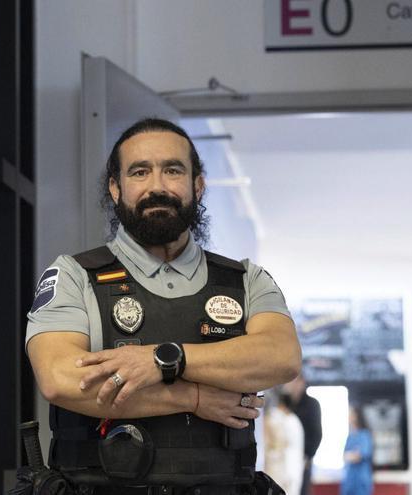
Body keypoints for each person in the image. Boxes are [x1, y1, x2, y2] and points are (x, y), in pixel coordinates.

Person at [25, 118, 302, 494]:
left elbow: (281, 357)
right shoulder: (74, 275)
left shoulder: (246, 280)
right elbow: (61, 379)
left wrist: (159, 360)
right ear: (116, 188)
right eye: (140, 172)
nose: (157, 186)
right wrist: (193, 397)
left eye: (173, 170)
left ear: (197, 185)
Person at [282, 375, 322, 495]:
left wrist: (307, 457)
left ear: (301, 382)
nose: (289, 385)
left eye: (292, 382)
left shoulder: (312, 404)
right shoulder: (283, 404)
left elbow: (316, 434)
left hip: (304, 460)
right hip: (284, 460)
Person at [264, 389, 305, 495]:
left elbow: (278, 443)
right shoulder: (295, 420)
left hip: (283, 467)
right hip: (294, 467)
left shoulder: (279, 419)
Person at [340, 406, 373, 495]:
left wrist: (352, 455)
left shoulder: (364, 435)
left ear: (357, 416)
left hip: (361, 481)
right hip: (349, 480)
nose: (349, 416)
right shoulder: (350, 437)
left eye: (351, 414)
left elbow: (359, 456)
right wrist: (352, 455)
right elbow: (344, 456)